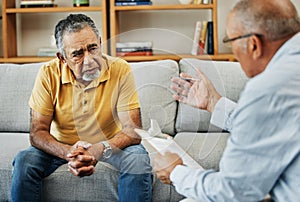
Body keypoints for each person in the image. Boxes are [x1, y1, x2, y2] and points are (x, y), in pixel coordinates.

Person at [154, 0, 300, 201]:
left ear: (253, 45)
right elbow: (276, 124)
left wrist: (176, 173)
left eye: (231, 42)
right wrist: (214, 104)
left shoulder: (269, 88)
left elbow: (234, 191)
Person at [11, 14, 152, 202]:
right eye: (77, 54)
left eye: (93, 48)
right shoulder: (48, 74)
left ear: (100, 43)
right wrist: (70, 152)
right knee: (24, 161)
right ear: (62, 58)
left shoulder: (120, 69)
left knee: (138, 158)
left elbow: (133, 130)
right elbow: (37, 132)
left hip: (109, 144)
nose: (89, 60)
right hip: (62, 146)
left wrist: (98, 149)